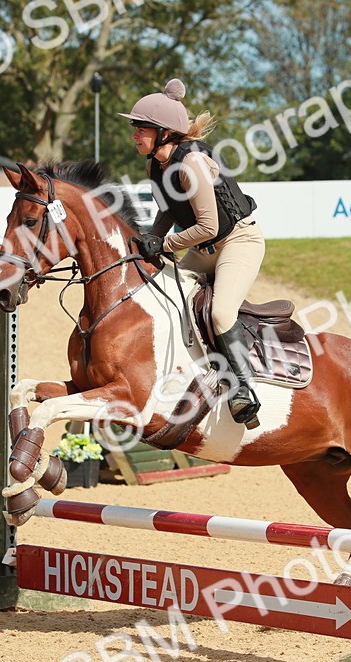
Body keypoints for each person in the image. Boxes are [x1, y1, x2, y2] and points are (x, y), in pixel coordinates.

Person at [120, 78, 263, 427]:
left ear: (164, 133)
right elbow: (169, 210)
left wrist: (164, 244)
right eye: (135, 129)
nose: (135, 135)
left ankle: (244, 390)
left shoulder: (192, 162)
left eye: (142, 129)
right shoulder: (155, 164)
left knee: (220, 311)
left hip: (237, 242)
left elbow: (209, 227)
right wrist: (150, 238)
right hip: (201, 247)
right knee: (166, 298)